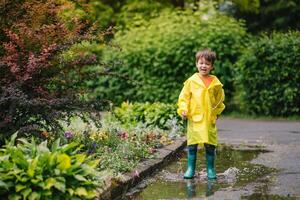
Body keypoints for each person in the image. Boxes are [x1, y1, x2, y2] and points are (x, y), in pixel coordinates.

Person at [177, 49, 225, 179]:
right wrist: (183, 109)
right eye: (201, 63)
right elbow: (184, 97)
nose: (204, 66)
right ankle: (191, 168)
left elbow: (220, 99)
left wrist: (217, 113)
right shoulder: (191, 81)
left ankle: (210, 169)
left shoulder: (215, 83)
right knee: (192, 145)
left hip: (209, 119)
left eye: (207, 64)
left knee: (210, 145)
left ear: (212, 66)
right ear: (196, 64)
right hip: (195, 118)